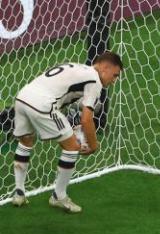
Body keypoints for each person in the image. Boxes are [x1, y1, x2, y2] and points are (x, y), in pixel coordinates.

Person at [9, 51, 123, 213]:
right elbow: (86, 119)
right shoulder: (94, 80)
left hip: (23, 98)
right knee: (72, 147)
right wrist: (93, 145)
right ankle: (59, 196)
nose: (114, 80)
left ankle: (19, 193)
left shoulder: (78, 67)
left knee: (26, 141)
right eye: (115, 75)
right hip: (42, 104)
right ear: (105, 67)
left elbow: (63, 91)